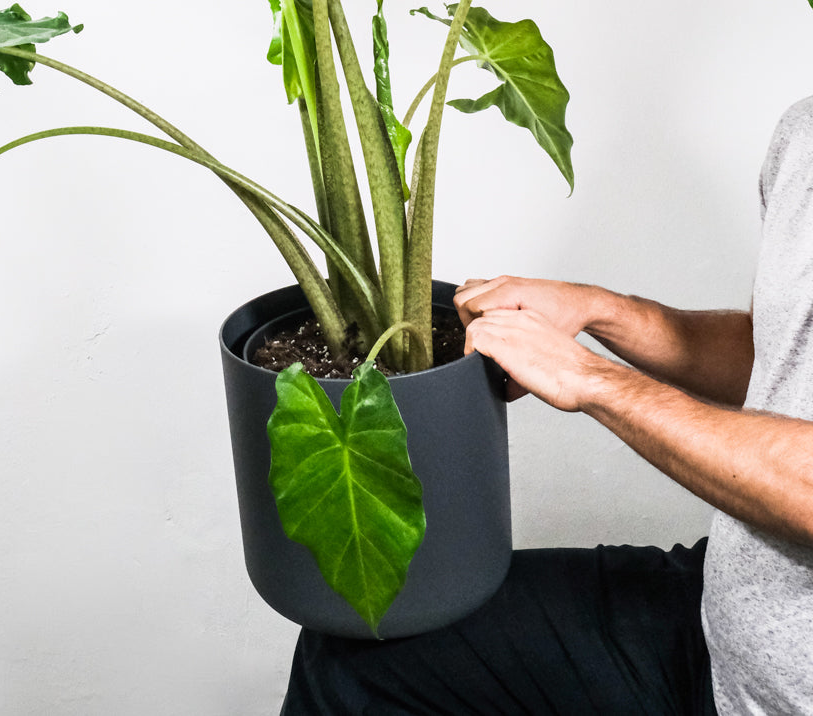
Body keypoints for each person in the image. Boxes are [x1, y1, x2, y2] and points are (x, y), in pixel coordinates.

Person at [281, 96, 813, 716]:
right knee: (351, 661)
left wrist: (593, 379)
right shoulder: (803, 131)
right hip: (721, 618)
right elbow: (784, 358)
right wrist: (602, 311)